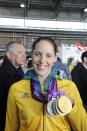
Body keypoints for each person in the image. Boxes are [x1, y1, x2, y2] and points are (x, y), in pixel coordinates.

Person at [5, 37, 87, 131]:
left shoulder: (69, 87)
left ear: (55, 58)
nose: (42, 60)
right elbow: (10, 127)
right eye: (37, 54)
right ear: (32, 55)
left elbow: (83, 128)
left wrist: (72, 105)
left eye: (48, 55)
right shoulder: (16, 89)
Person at [0, 41, 26, 131]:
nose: (24, 56)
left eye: (24, 53)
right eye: (20, 53)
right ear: (9, 55)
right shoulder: (2, 74)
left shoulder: (20, 71)